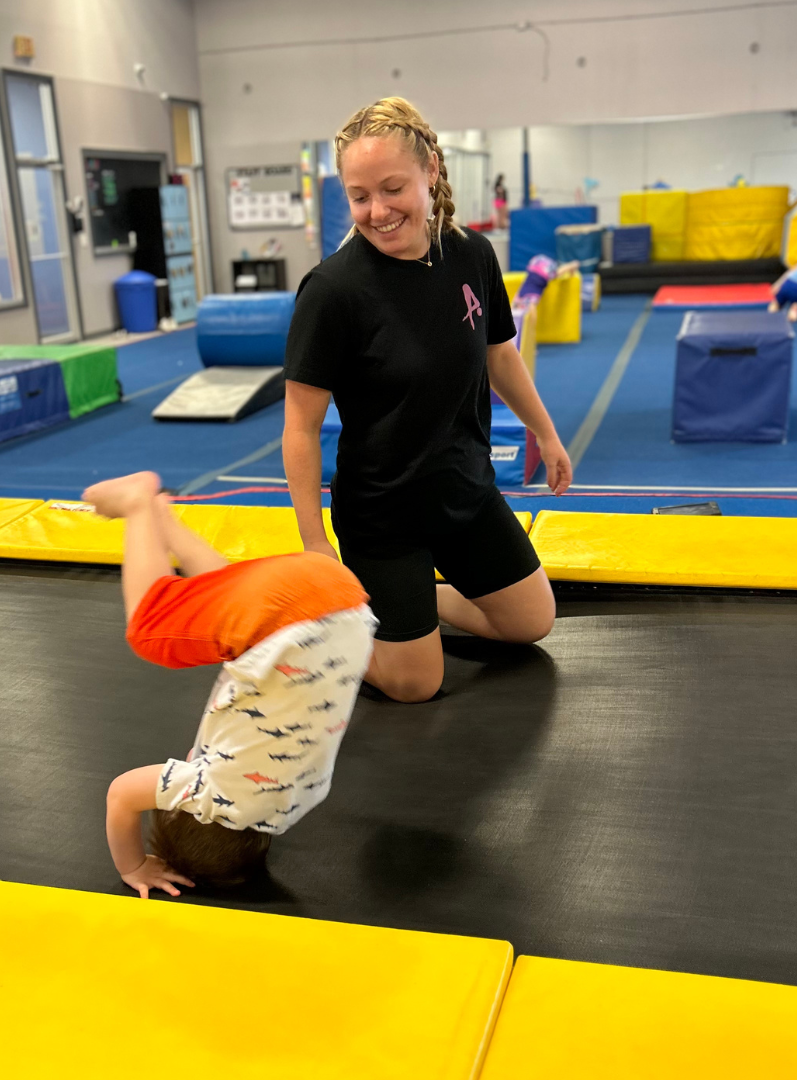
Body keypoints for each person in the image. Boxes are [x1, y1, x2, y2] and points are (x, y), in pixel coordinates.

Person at [283, 97, 573, 706]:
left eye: (393, 189)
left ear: (431, 171)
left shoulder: (470, 254)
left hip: (464, 489)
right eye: (359, 196)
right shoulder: (333, 291)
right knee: (418, 683)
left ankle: (411, 602)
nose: (378, 211)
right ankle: (329, 629)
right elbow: (302, 426)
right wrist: (314, 545)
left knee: (530, 623)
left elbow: (500, 354)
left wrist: (546, 434)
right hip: (383, 514)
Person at [87, 470, 376, 898]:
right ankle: (136, 505)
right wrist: (134, 865)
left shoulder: (295, 800)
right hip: (290, 620)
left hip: (343, 603)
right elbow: (121, 795)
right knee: (149, 632)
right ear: (190, 810)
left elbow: (233, 755)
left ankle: (162, 517)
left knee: (227, 607)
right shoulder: (213, 796)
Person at [514, 254, 580, 309]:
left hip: (539, 269)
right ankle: (573, 265)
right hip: (536, 267)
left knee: (556, 274)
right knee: (556, 273)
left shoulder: (529, 298)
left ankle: (573, 264)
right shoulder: (522, 296)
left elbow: (532, 310)